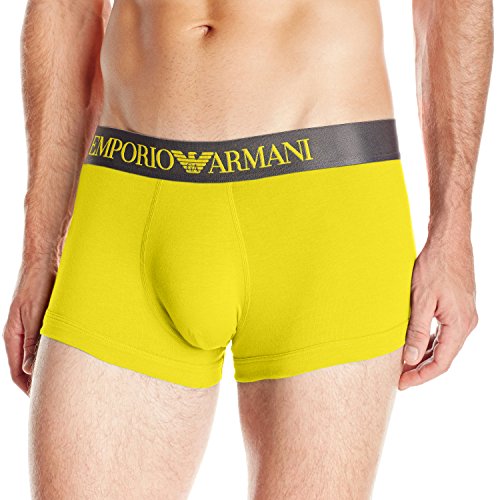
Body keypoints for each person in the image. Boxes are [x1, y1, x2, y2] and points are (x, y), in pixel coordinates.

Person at [3, 0, 492, 498]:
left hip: (322, 209)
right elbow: (65, 9)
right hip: (124, 203)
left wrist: (452, 231)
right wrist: (39, 249)